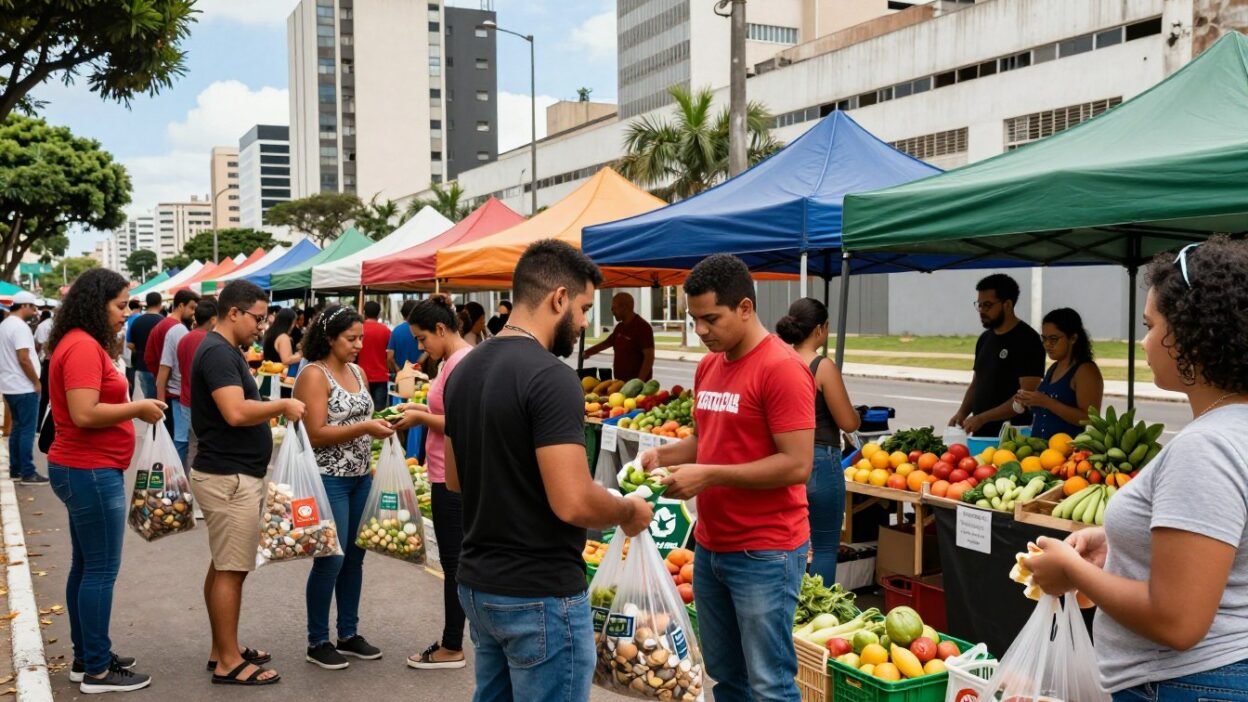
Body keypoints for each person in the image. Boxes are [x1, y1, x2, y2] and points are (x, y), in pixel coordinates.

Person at [1027, 237, 1248, 700]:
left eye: (1149, 326)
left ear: (1188, 335)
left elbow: (1177, 621)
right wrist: (1122, 541)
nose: (1143, 342)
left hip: (1181, 683)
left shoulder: (1205, 447)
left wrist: (1072, 570)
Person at [443, 239, 653, 701]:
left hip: (478, 586)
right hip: (538, 593)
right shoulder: (552, 377)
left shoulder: (463, 371)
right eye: (582, 308)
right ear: (558, 298)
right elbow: (574, 500)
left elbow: (455, 480)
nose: (582, 323)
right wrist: (627, 510)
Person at [634, 254, 815, 701]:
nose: (701, 331)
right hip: (712, 546)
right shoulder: (709, 366)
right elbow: (707, 438)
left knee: (770, 683)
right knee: (726, 676)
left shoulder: (781, 368)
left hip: (765, 551)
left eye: (711, 319)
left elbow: (797, 464)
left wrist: (710, 476)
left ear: (746, 308)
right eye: (695, 320)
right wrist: (663, 453)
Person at [47, 268, 167, 693]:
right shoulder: (81, 346)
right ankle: (97, 669)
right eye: (120, 306)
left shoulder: (79, 342)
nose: (126, 313)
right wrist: (137, 409)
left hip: (86, 468)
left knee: (86, 566)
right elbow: (84, 413)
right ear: (96, 304)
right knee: (99, 570)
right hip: (89, 470)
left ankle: (87, 657)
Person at [190, 280, 304, 686]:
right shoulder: (219, 353)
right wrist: (283, 405)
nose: (262, 326)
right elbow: (236, 412)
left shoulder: (222, 349)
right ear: (233, 312)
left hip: (230, 473)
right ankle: (228, 661)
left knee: (223, 564)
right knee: (232, 570)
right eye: (258, 317)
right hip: (229, 477)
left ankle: (222, 647)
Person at [295, 305, 394, 670]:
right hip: (327, 479)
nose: (358, 345)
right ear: (329, 338)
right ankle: (317, 640)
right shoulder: (313, 375)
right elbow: (315, 433)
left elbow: (363, 418)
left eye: (361, 338)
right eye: (351, 339)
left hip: (358, 477)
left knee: (355, 558)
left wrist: (375, 435)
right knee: (330, 559)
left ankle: (348, 634)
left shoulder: (357, 371)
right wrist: (366, 429)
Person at [390, 295, 473, 670]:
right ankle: (454, 639)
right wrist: (420, 410)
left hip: (451, 475)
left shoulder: (460, 363)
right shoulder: (453, 362)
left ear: (441, 329)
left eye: (423, 338)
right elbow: (448, 412)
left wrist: (421, 419)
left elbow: (460, 423)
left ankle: (452, 645)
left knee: (455, 562)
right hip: (444, 470)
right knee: (455, 560)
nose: (421, 347)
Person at [776, 297, 860, 587]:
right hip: (820, 461)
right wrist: (857, 417)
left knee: (789, 544)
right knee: (824, 546)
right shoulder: (822, 367)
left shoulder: (777, 361)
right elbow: (848, 422)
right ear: (821, 329)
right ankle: (819, 614)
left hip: (783, 461)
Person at [948, 274, 1045, 438]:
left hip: (1011, 437)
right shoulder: (985, 339)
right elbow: (976, 383)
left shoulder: (1028, 340)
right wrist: (962, 413)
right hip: (980, 433)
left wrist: (983, 418)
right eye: (979, 305)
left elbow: (1026, 397)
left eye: (987, 305)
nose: (982, 311)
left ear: (1007, 304)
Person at [1016, 308, 1104, 440]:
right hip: (1042, 452)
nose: (1047, 345)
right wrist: (1030, 402)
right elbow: (1047, 411)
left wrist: (1046, 402)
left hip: (1068, 454)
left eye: (1054, 339)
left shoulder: (1085, 370)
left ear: (1073, 338)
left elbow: (1089, 419)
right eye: (1044, 339)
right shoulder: (1054, 367)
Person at [0, 292, 48, 484]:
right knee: (27, 429)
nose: (35, 311)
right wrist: (36, 382)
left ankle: (16, 469)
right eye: (33, 307)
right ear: (25, 305)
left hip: (10, 385)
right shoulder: (20, 328)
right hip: (23, 385)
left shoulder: (4, 325)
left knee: (18, 428)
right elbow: (24, 358)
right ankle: (27, 471)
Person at [155, 292, 199, 453]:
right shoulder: (178, 330)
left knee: (180, 440)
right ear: (181, 305)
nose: (194, 313)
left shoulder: (169, 327)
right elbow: (164, 367)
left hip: (176, 394)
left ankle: (177, 475)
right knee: (182, 441)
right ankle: (178, 476)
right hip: (180, 395)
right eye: (192, 308)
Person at [176, 300, 217, 471]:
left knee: (193, 443)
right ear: (213, 319)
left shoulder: (184, 339)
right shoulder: (210, 340)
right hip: (204, 403)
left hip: (186, 400)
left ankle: (190, 480)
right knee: (207, 445)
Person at [583, 292, 655, 381]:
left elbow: (649, 357)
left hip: (636, 386)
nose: (612, 312)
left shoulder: (643, 327)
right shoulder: (620, 327)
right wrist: (588, 352)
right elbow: (607, 343)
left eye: (614, 308)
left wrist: (639, 382)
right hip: (620, 383)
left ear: (625, 307)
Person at [127, 292, 164, 400]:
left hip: (142, 365)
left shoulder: (137, 321)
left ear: (146, 303)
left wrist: (139, 350)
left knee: (149, 399)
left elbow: (130, 344)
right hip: (160, 367)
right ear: (160, 303)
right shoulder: (163, 322)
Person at [262, 308, 303, 399]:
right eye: (293, 322)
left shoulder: (269, 333)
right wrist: (301, 355)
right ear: (289, 322)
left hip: (267, 376)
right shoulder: (283, 337)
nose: (293, 325)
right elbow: (286, 359)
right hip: (279, 380)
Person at [358, 301, 391, 412]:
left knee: (362, 411)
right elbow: (389, 354)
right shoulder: (386, 330)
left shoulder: (359, 329)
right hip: (381, 375)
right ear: (378, 313)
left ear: (364, 312)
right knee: (379, 413)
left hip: (361, 375)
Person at [387, 299, 426, 375]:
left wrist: (397, 370)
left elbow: (390, 357)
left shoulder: (396, 331)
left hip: (401, 374)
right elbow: (423, 358)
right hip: (419, 373)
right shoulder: (422, 329)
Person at [35, 308, 53, 424]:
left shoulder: (42, 325)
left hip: (46, 361)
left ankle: (38, 423)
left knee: (44, 396)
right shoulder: (52, 325)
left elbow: (38, 344)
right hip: (48, 361)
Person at [123, 299, 142, 394]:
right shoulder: (140, 318)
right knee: (131, 376)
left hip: (125, 354)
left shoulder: (126, 321)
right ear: (138, 308)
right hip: (133, 352)